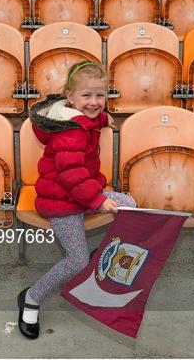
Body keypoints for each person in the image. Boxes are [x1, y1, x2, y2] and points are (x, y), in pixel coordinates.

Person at [17, 61, 137, 339]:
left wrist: (102, 119)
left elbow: (91, 120)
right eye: (86, 96)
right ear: (70, 97)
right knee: (77, 260)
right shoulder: (70, 131)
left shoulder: (81, 119)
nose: (94, 102)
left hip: (84, 193)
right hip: (62, 200)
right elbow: (71, 176)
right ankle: (31, 298)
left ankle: (102, 257)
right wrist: (97, 200)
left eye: (100, 95)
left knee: (129, 204)